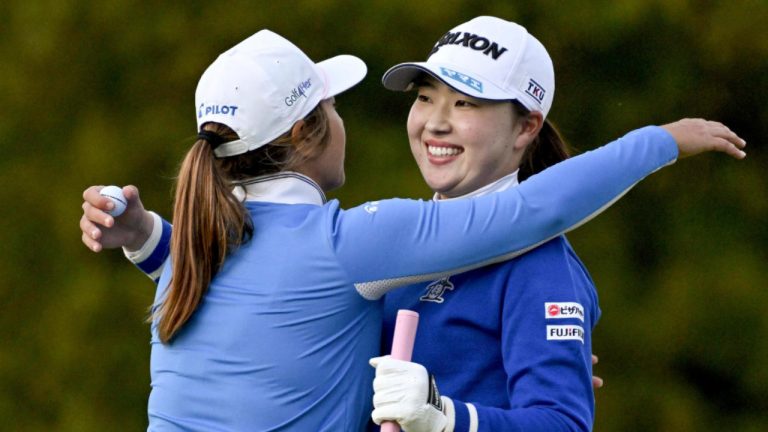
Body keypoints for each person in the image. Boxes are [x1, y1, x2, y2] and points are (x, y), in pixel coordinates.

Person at [79, 28, 746, 432]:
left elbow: (254, 301)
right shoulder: (349, 246)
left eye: (467, 102)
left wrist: (142, 235)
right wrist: (662, 141)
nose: (435, 120)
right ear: (308, 132)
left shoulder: (195, 245)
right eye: (333, 107)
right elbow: (532, 211)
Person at [366, 16, 627, 432]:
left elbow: (563, 423)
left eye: (465, 102)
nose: (435, 122)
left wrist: (447, 417)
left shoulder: (540, 265)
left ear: (526, 127)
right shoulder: (391, 239)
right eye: (426, 97)